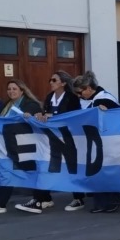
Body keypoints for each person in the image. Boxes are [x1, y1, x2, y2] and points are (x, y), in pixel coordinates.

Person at [29, 71, 83, 212]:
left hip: (68, 137)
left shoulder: (72, 98)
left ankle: (78, 198)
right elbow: (45, 113)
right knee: (45, 165)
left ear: (63, 83)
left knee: (71, 167)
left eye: (54, 80)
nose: (51, 82)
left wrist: (51, 115)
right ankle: (43, 198)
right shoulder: (49, 97)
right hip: (52, 138)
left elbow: (74, 116)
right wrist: (41, 115)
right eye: (50, 80)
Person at [72, 71, 120, 213]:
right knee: (96, 170)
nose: (79, 95)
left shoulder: (105, 99)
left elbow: (117, 116)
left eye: (80, 92)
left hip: (107, 141)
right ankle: (100, 202)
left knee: (107, 171)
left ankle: (112, 201)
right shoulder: (85, 100)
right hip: (92, 141)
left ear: (88, 88)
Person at [0, 80, 44, 214]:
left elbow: (33, 115)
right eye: (9, 89)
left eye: (14, 89)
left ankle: (39, 200)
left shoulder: (30, 104)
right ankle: (1, 204)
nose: (11, 91)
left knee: (31, 171)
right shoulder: (7, 105)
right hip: (8, 146)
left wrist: (28, 115)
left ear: (22, 91)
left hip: (25, 147)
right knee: (7, 172)